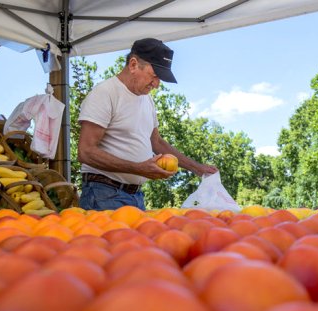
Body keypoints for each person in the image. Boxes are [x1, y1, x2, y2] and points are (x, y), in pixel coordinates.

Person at [77, 38, 218, 211]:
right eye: (155, 76)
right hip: (103, 193)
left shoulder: (147, 100)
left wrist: (198, 168)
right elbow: (85, 152)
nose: (157, 84)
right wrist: (138, 168)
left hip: (135, 195)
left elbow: (156, 142)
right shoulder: (105, 93)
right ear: (134, 65)